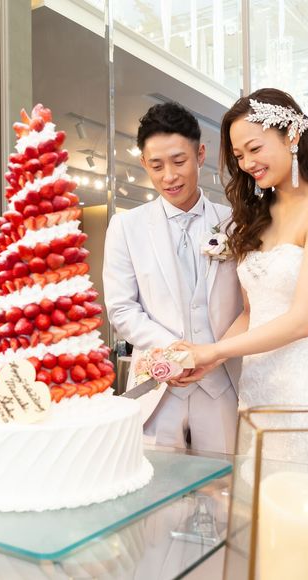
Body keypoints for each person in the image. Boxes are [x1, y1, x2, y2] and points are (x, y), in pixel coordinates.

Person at [174, 88, 308, 469]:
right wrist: (209, 356)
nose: (247, 164)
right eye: (239, 156)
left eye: (254, 149)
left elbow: (303, 320)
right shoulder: (257, 215)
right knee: (258, 496)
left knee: (304, 498)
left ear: (292, 135)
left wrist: (214, 352)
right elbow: (251, 313)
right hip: (257, 387)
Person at [103, 102, 242, 453]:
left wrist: (210, 355)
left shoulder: (235, 223)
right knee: (157, 482)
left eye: (179, 161)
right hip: (157, 387)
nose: (169, 176)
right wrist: (175, 353)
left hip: (223, 385)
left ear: (200, 154)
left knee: (224, 481)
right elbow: (121, 309)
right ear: (143, 163)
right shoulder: (126, 227)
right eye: (157, 165)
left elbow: (248, 305)